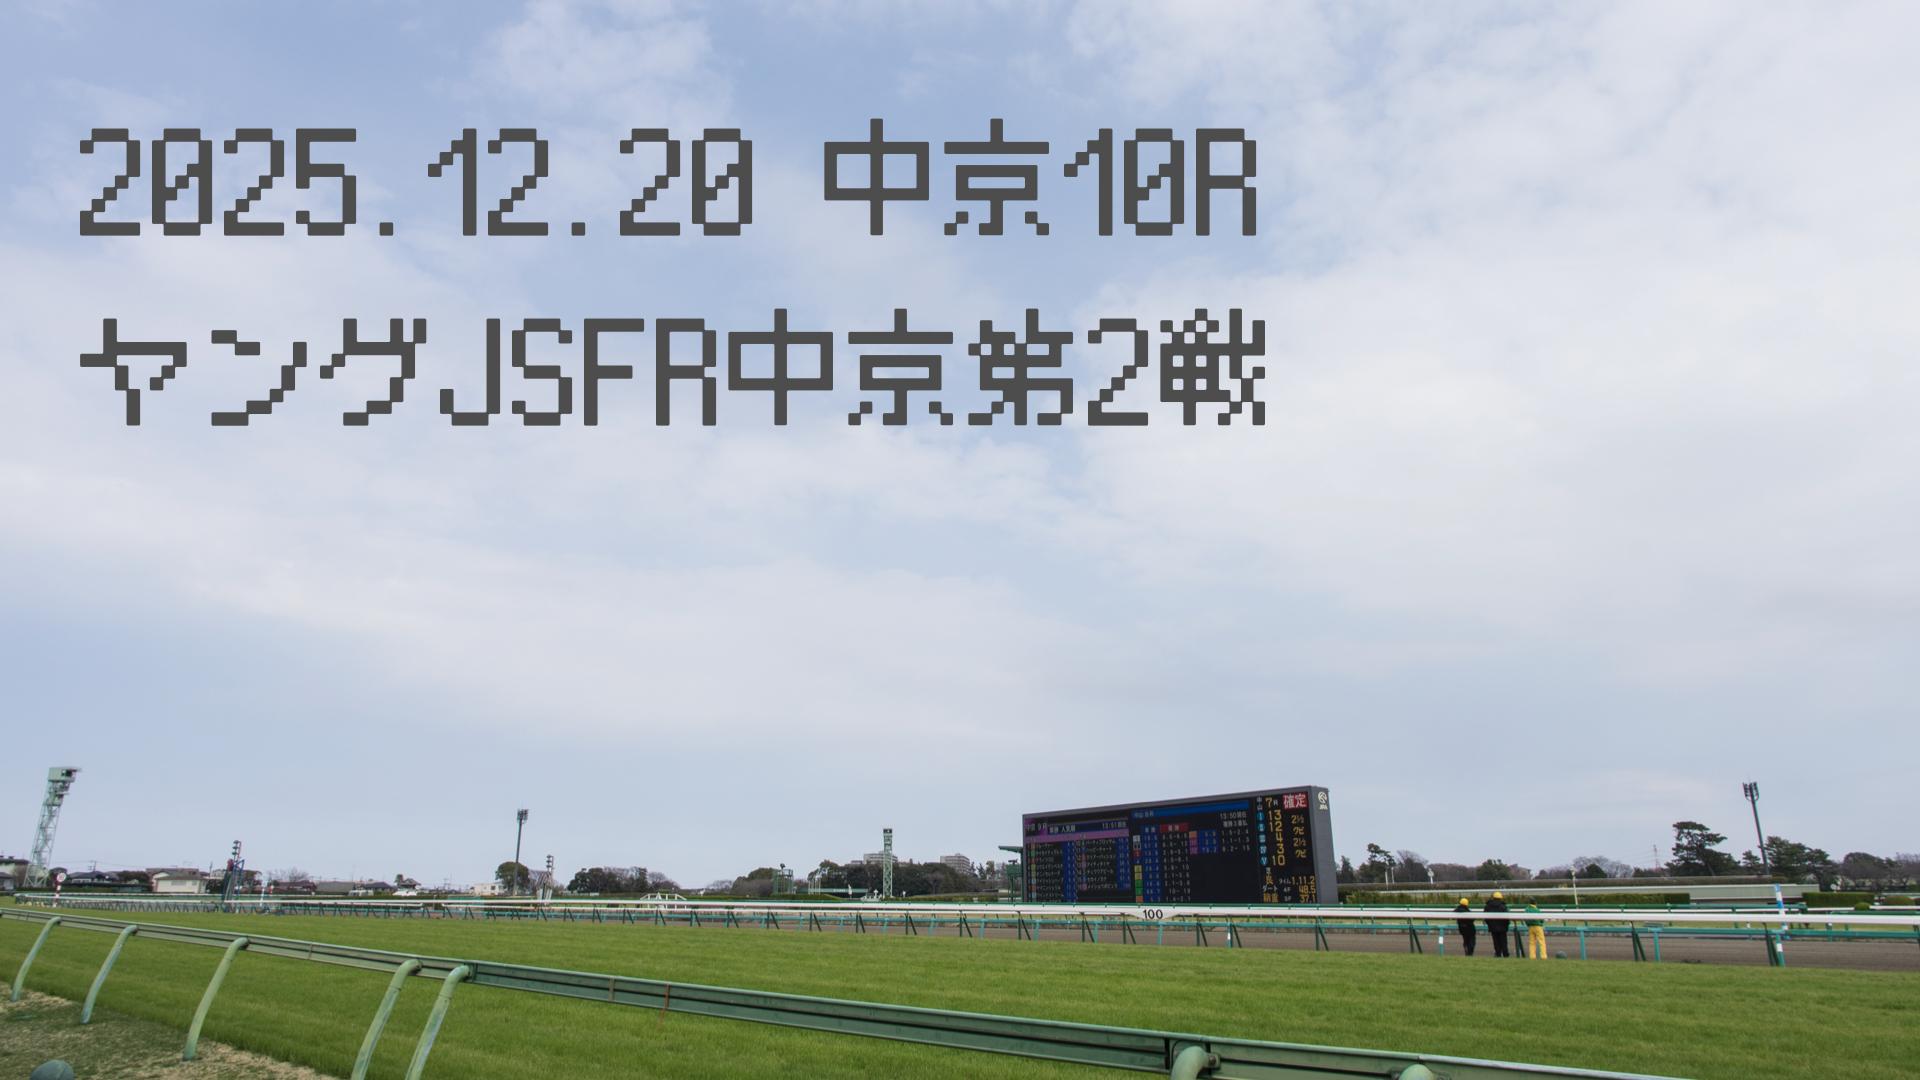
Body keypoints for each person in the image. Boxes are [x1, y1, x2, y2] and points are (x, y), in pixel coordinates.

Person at [1485, 891, 1511, 957]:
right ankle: (1505, 954)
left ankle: (1498, 953)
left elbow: (1486, 917)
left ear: (1493, 898)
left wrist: (1489, 924)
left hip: (1492, 927)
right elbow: (1507, 918)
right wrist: (1506, 925)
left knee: (1496, 942)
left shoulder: (1488, 906)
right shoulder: (1503, 906)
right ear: (1500, 898)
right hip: (1502, 928)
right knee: (1503, 942)